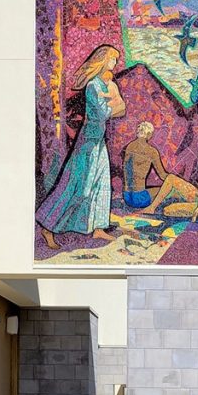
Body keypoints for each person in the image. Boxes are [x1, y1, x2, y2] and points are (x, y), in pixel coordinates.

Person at [37, 44, 126, 250]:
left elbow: (122, 110)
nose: (115, 63)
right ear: (103, 60)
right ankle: (48, 226)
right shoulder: (94, 85)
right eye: (113, 58)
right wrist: (114, 100)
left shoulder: (107, 85)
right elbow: (105, 113)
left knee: (101, 183)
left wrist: (112, 100)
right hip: (88, 141)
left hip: (98, 139)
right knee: (78, 185)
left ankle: (98, 227)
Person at [123, 122, 195, 211]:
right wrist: (176, 180)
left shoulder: (130, 147)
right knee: (170, 191)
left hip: (127, 197)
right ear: (149, 134)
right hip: (139, 199)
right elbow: (162, 175)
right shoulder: (152, 151)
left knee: (158, 190)